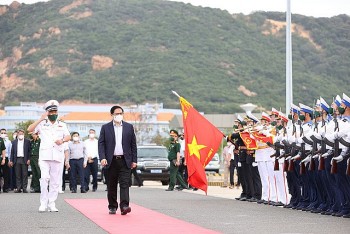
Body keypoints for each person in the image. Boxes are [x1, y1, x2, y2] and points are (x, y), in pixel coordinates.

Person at [27, 100, 71, 212]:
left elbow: (68, 136)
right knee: (44, 178)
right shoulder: (42, 124)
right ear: (47, 112)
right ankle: (43, 203)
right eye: (51, 112)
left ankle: (52, 203)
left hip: (57, 155)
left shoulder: (62, 124)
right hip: (44, 156)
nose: (53, 114)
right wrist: (41, 118)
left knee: (55, 181)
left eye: (55, 111)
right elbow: (29, 130)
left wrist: (62, 140)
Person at [98, 105, 137, 215]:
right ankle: (112, 206)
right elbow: (101, 144)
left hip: (125, 160)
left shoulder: (129, 127)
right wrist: (103, 157)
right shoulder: (106, 128)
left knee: (125, 184)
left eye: (121, 113)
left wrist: (134, 160)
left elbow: (133, 145)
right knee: (112, 184)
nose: (119, 115)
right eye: (116, 114)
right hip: (111, 160)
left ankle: (124, 205)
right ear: (112, 115)